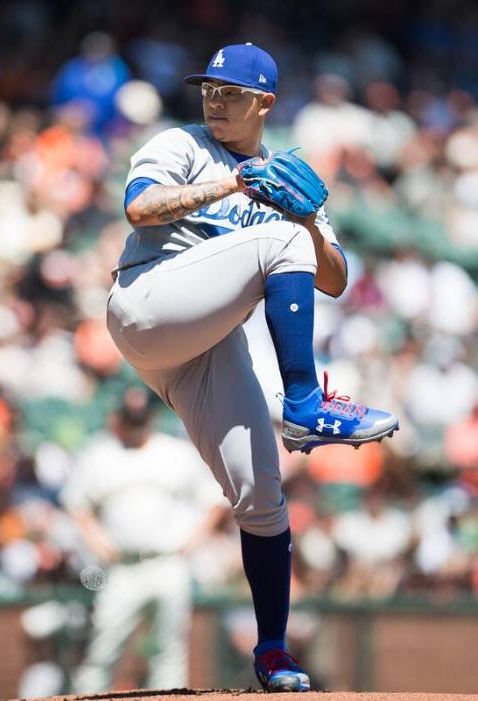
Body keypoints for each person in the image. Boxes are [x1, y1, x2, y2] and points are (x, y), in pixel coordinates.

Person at [107, 43, 399, 691]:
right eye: (209, 87)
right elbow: (140, 208)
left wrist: (309, 225)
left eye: (230, 92)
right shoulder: (180, 144)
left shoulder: (283, 172)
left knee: (262, 497)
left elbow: (335, 279)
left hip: (206, 344)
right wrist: (233, 185)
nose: (214, 98)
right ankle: (304, 403)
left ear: (264, 103)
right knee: (279, 236)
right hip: (149, 300)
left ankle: (272, 650)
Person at [60, 389, 226, 692]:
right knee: (104, 647)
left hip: (168, 563)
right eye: (129, 418)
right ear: (118, 418)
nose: (135, 424)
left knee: (168, 649)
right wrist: (96, 541)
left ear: (151, 417)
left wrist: (192, 542)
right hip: (123, 566)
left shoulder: (176, 453)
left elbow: (214, 501)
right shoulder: (101, 454)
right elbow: (76, 504)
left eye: (140, 418)